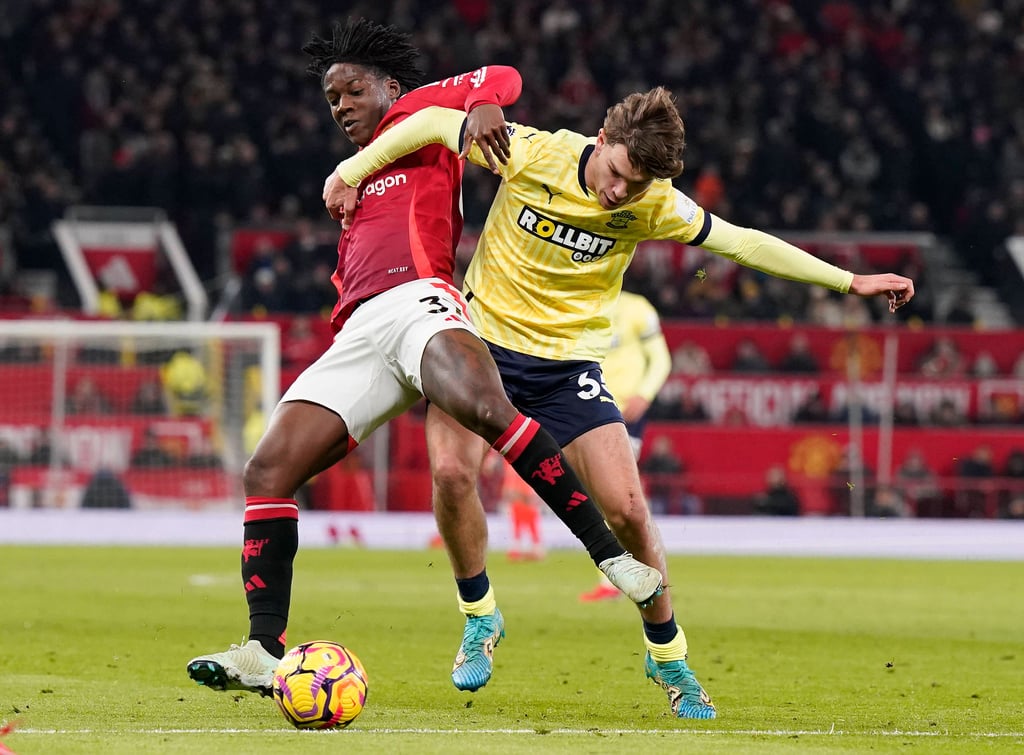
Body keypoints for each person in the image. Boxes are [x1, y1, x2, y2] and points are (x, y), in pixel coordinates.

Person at [326, 85, 915, 719]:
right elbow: (436, 122)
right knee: (449, 472)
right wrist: (350, 171)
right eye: (617, 176)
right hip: (479, 345)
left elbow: (743, 242)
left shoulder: (654, 202)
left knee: (629, 510)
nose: (620, 195)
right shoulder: (531, 154)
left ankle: (668, 654)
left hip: (568, 366)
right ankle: (480, 616)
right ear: (601, 142)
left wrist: (849, 280)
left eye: (635, 187)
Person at [186, 18, 659, 702]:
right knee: (269, 466)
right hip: (359, 332)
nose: (341, 106)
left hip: (422, 303)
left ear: (390, 86)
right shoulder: (362, 174)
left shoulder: (421, 117)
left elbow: (501, 79)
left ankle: (613, 557)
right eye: (331, 100)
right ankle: (263, 647)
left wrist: (485, 108)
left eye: (350, 90)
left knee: (486, 408)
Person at [581, 290, 671, 602]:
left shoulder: (637, 307)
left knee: (618, 495)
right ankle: (625, 575)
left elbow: (661, 359)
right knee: (601, 496)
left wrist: (645, 394)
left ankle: (639, 572)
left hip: (625, 415)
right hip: (588, 409)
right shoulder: (579, 301)